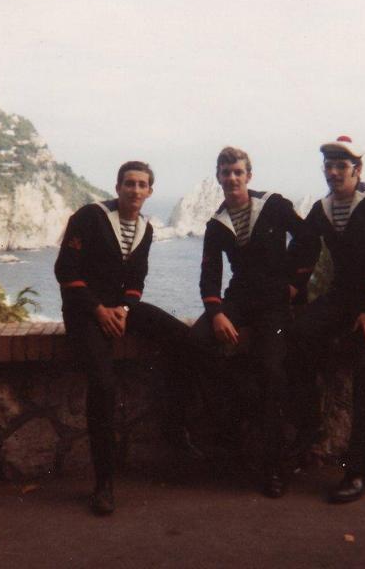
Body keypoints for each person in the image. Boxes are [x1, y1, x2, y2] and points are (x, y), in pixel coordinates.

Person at [54, 161, 202, 516]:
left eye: (142, 185)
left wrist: (123, 309)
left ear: (150, 191)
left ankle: (175, 426)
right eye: (129, 183)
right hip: (84, 313)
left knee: (187, 341)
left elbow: (136, 281)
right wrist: (99, 310)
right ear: (118, 186)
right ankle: (104, 484)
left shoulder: (145, 229)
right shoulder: (90, 217)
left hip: (119, 310)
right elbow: (65, 271)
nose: (135, 190)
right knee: (103, 386)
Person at [287, 135, 365, 503]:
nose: (334, 172)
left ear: (358, 169)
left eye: (342, 166)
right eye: (329, 166)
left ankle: (358, 473)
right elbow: (303, 252)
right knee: (296, 335)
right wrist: (291, 289)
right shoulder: (323, 209)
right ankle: (308, 432)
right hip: (343, 300)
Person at [191, 146, 308, 498]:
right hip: (239, 299)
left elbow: (308, 240)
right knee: (195, 342)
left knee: (273, 373)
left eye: (238, 172)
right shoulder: (217, 224)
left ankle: (274, 468)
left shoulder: (273, 205)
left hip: (274, 303)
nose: (232, 178)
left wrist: (295, 283)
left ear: (248, 176)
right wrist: (216, 313)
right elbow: (210, 275)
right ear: (218, 177)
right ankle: (242, 400)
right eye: (225, 172)